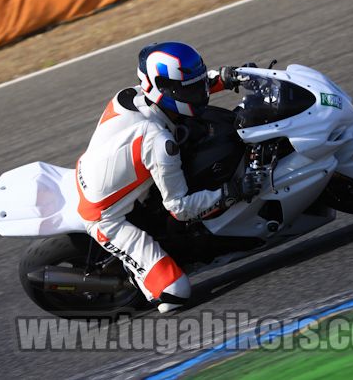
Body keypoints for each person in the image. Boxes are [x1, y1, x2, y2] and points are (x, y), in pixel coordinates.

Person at [75, 41, 259, 313]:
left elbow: (184, 87)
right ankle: (137, 275)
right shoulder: (159, 142)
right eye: (190, 89)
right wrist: (231, 192)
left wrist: (224, 77)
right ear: (160, 87)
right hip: (105, 217)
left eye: (198, 84)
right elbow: (180, 209)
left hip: (107, 174)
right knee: (175, 295)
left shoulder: (133, 94)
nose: (199, 93)